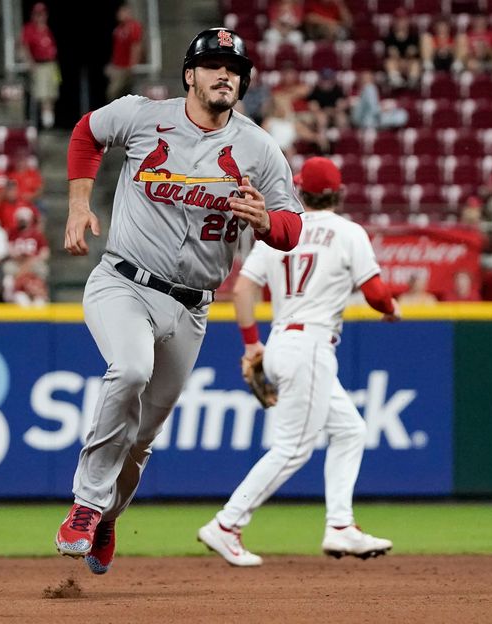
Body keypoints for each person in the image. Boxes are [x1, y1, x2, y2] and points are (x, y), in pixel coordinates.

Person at [55, 27, 303, 575]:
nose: (225, 75)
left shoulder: (258, 147)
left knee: (141, 441)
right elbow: (84, 134)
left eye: (234, 70)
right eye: (213, 65)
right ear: (189, 74)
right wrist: (79, 205)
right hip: (123, 280)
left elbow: (292, 229)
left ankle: (107, 516)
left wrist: (267, 221)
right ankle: (86, 504)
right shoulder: (144, 116)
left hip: (192, 307)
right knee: (130, 369)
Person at [197, 157, 400, 566]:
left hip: (280, 345)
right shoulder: (347, 232)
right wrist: (391, 307)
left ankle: (340, 526)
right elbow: (375, 293)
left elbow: (243, 290)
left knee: (350, 430)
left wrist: (252, 345)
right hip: (309, 348)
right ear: (339, 194)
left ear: (300, 192)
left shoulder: (279, 229)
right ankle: (227, 524)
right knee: (292, 449)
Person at [20, 2, 60, 129]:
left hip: (52, 65)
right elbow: (24, 47)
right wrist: (30, 62)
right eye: (37, 14)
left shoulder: (46, 29)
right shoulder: (29, 29)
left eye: (42, 14)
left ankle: (50, 121)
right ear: (33, 15)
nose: (40, 17)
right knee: (42, 94)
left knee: (53, 92)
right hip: (40, 65)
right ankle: (44, 123)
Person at [105, 3, 144, 102]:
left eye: (122, 12)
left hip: (126, 66)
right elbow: (116, 49)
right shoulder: (118, 29)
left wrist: (133, 64)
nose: (119, 14)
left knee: (116, 91)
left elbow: (136, 46)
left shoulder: (133, 26)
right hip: (117, 66)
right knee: (113, 92)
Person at [383, 8, 421, 89]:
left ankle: (412, 81)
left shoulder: (414, 37)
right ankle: (396, 80)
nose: (401, 23)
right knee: (389, 62)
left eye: (403, 20)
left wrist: (406, 58)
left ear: (408, 21)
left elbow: (414, 53)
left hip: (409, 63)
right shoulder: (389, 38)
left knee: (416, 63)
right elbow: (391, 53)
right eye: (398, 20)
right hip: (397, 63)